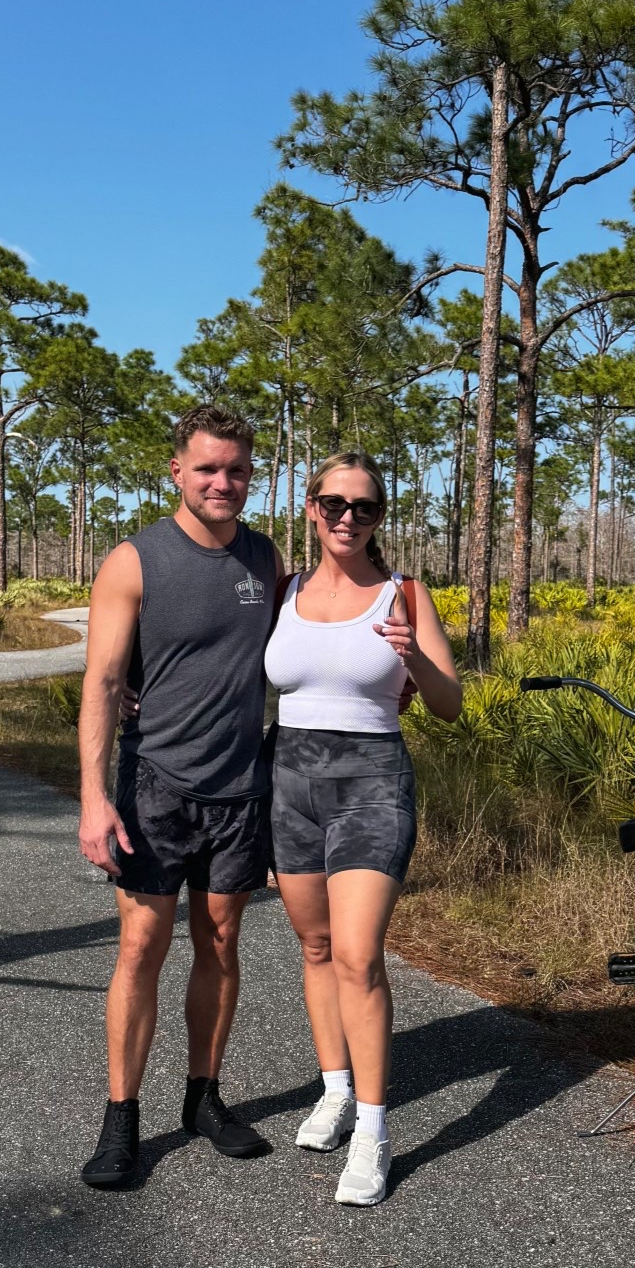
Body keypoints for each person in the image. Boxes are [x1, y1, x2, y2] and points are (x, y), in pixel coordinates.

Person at [76, 403, 283, 1190]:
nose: (221, 482)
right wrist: (93, 799)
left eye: (236, 470)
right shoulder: (134, 561)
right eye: (206, 469)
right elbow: (102, 682)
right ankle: (121, 1116)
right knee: (140, 948)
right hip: (154, 785)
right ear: (176, 472)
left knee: (220, 944)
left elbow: (307, 642)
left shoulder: (263, 558)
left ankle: (204, 1097)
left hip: (239, 789)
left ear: (250, 475)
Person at [264, 453, 462, 1206]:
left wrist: (415, 659)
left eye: (365, 507)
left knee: (356, 954)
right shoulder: (282, 591)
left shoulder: (403, 594)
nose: (348, 518)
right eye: (334, 504)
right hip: (288, 781)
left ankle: (374, 1134)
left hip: (372, 783)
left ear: (380, 517)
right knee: (316, 947)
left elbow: (447, 704)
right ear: (311, 508)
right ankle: (336, 1091)